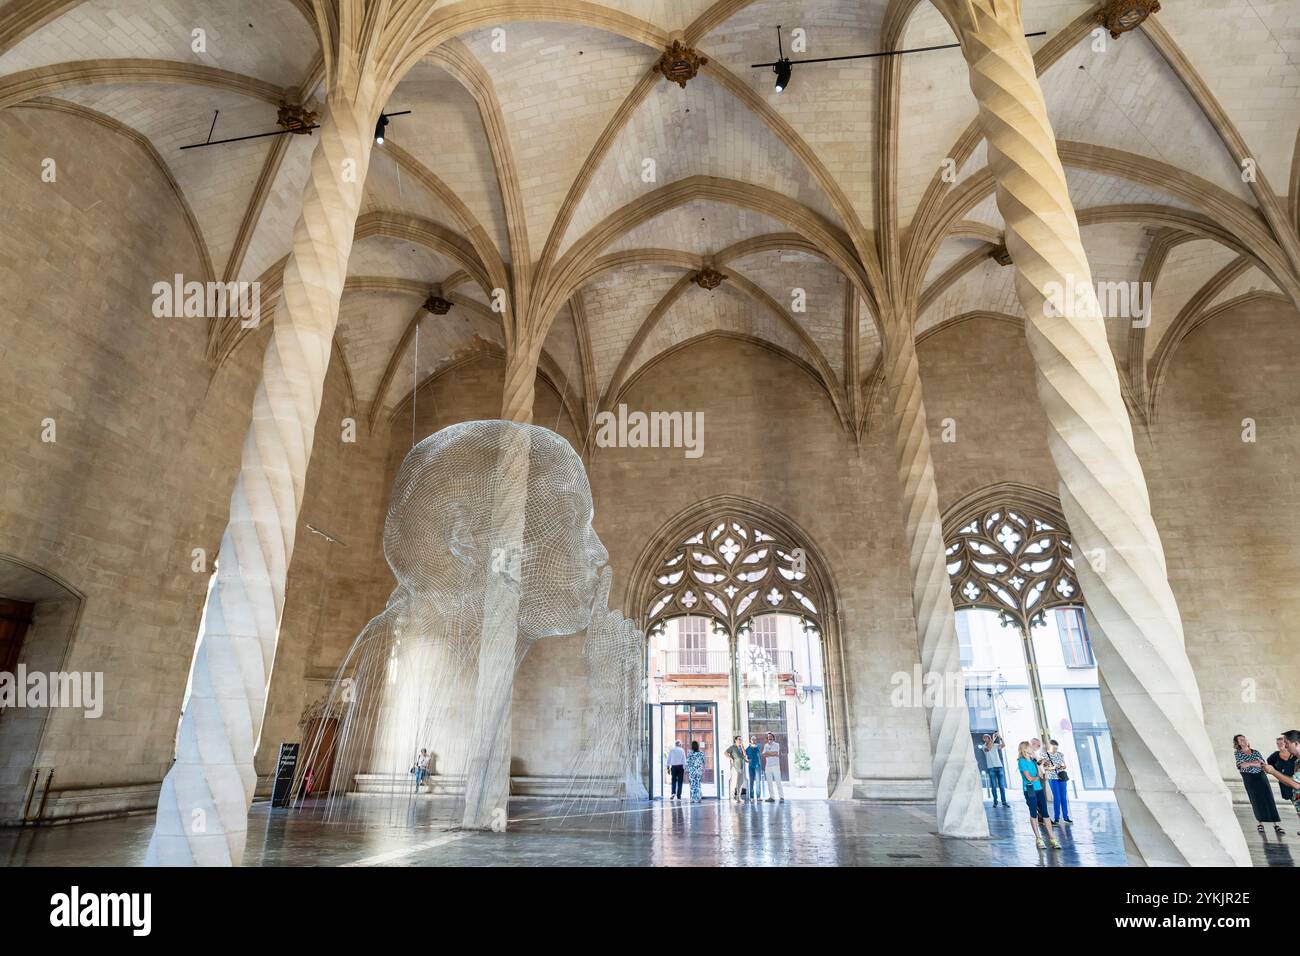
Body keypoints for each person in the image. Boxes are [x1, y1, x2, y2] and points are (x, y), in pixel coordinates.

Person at [1234, 734, 1283, 835]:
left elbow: (1263, 764)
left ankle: (1276, 824)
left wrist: (1250, 763)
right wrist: (1255, 763)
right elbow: (1241, 765)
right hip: (1249, 778)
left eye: (1244, 738)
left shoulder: (1255, 752)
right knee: (1255, 799)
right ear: (1238, 743)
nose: (1243, 741)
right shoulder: (1237, 753)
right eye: (1241, 740)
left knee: (1268, 798)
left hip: (1261, 777)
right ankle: (1260, 823)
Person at [1017, 740, 1060, 850]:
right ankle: (1038, 838)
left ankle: (1052, 838)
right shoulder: (1021, 761)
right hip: (1029, 790)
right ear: (1025, 749)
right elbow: (1029, 778)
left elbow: (1042, 775)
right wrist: (1038, 776)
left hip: (1039, 789)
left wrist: (1042, 768)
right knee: (1033, 814)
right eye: (1030, 746)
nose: (1032, 748)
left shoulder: (1033, 761)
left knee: (1045, 814)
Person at [1261, 730, 1300, 834]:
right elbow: (1293, 782)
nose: (1285, 746)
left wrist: (1273, 771)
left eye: (1286, 743)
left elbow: (1296, 785)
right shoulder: (1297, 761)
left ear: (1296, 743)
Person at [1043, 739, 1072, 825]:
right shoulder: (1045, 755)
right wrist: (1053, 768)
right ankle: (1056, 818)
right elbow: (1045, 768)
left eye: (1056, 748)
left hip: (1062, 777)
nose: (1055, 750)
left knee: (1063, 797)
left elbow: (1065, 765)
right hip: (1053, 778)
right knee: (1057, 798)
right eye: (1054, 748)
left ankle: (1066, 818)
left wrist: (1061, 766)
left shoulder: (1060, 754)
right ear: (1050, 746)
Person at [983, 733, 1007, 807]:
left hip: (999, 767)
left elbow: (1003, 745)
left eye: (987, 737)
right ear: (983, 739)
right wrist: (993, 739)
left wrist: (1000, 738)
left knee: (1002, 786)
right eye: (985, 738)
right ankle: (995, 802)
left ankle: (1004, 802)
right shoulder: (984, 747)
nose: (986, 739)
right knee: (993, 786)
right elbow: (989, 748)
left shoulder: (995, 745)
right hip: (991, 768)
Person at [761, 732, 785, 803]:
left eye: (771, 736)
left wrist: (768, 753)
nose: (769, 738)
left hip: (775, 766)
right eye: (768, 737)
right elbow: (763, 754)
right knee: (769, 782)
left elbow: (776, 753)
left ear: (773, 737)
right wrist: (771, 753)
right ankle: (772, 797)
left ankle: (781, 797)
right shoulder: (765, 745)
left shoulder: (777, 744)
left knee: (778, 781)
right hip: (768, 766)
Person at [725, 736, 748, 800]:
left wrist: (743, 748)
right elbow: (725, 753)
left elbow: (744, 755)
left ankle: (738, 797)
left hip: (741, 767)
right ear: (735, 740)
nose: (740, 740)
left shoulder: (741, 747)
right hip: (735, 767)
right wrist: (731, 758)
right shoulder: (732, 747)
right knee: (734, 782)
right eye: (739, 739)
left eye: (741, 739)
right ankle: (732, 797)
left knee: (740, 782)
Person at [745, 735, 762, 801]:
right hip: (751, 767)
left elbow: (757, 749)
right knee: (751, 781)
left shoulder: (758, 746)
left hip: (757, 766)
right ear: (750, 740)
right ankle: (751, 797)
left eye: (755, 739)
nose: (754, 741)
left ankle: (758, 796)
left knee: (758, 781)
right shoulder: (748, 748)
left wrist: (753, 745)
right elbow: (744, 754)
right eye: (752, 739)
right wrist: (746, 760)